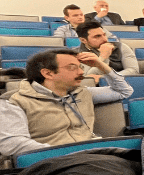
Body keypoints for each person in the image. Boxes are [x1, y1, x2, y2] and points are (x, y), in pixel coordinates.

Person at [0, 49, 133, 156]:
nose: (81, 72)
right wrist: (64, 153)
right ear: (48, 73)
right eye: (72, 67)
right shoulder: (15, 102)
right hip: (53, 161)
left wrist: (100, 65)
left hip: (94, 155)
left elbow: (124, 91)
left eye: (80, 67)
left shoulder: (83, 92)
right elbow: (12, 143)